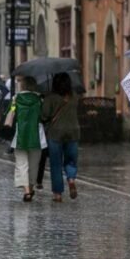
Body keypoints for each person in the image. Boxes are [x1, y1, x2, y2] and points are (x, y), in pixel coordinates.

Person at [41, 72, 81, 202]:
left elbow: (44, 116)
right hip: (73, 132)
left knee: (56, 164)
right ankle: (70, 179)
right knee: (71, 160)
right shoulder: (74, 96)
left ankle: (57, 194)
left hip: (55, 133)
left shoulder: (50, 98)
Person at [6, 76, 45, 202]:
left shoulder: (16, 98)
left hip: (21, 134)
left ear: (22, 85)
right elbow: (43, 116)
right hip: (37, 135)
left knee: (21, 164)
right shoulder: (40, 99)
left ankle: (27, 191)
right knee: (34, 164)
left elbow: (11, 112)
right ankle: (32, 187)